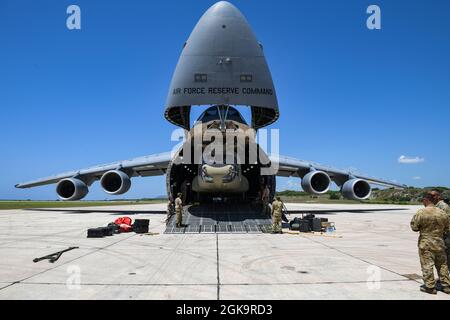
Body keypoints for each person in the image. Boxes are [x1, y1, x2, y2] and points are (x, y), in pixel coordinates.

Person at [410, 193, 450, 294]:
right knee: (442, 265)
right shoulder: (442, 213)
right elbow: (447, 228)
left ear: (426, 200)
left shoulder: (421, 212)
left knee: (427, 264)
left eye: (423, 201)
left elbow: (414, 227)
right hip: (440, 242)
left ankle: (430, 287)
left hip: (426, 242)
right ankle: (446, 286)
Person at [429, 190, 450, 272]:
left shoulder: (443, 206)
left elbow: (446, 221)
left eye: (433, 195)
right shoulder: (435, 206)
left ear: (439, 196)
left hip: (445, 235)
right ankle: (444, 277)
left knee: (446, 255)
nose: (431, 197)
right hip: (439, 235)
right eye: (430, 195)